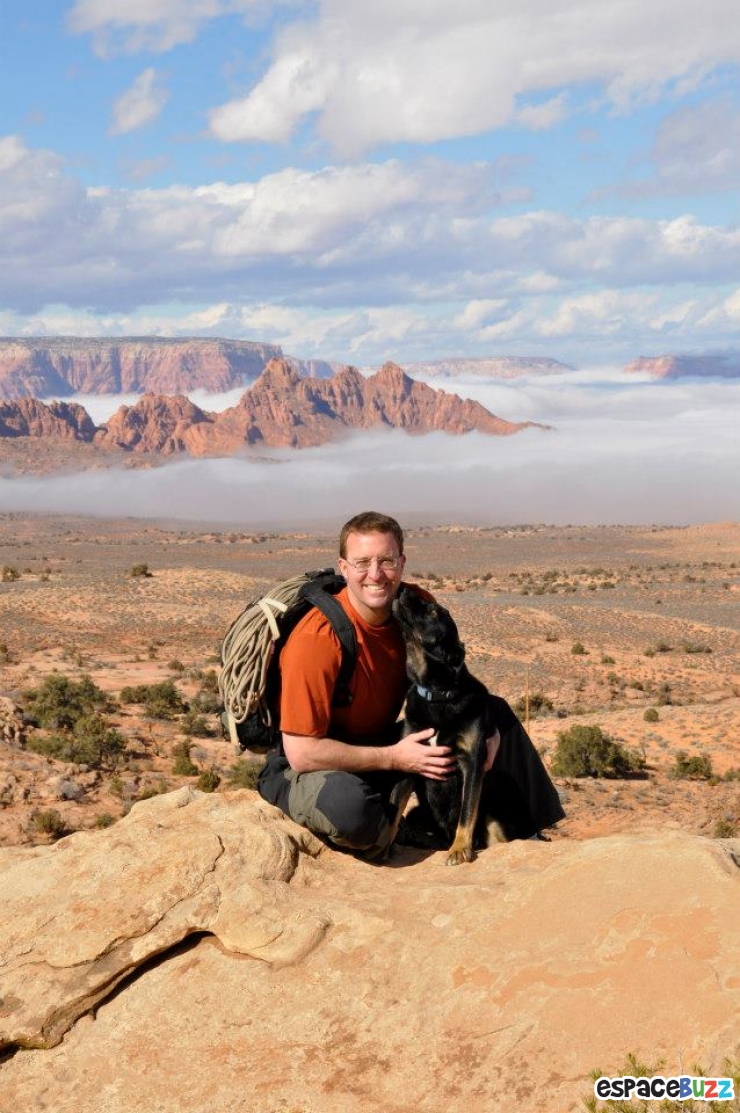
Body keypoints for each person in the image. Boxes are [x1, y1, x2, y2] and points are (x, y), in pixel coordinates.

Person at [257, 511, 564, 858]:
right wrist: (394, 758)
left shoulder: (415, 607)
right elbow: (302, 752)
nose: (375, 575)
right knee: (350, 809)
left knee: (493, 712)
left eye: (386, 561)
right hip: (309, 763)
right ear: (343, 569)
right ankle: (386, 831)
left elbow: (452, 679)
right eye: (362, 563)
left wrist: (487, 729)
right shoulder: (318, 638)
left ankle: (528, 833)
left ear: (401, 563)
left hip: (379, 743)